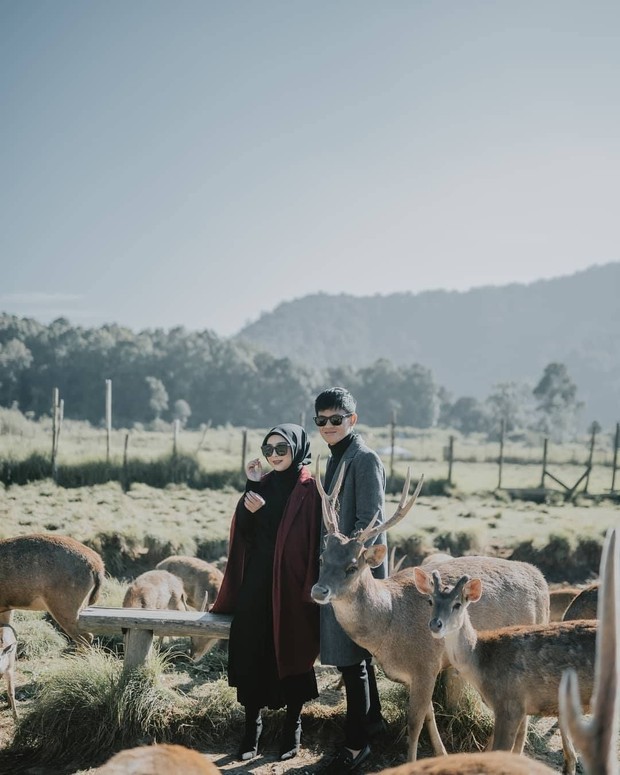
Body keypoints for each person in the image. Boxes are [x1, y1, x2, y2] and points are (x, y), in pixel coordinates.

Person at [210, 423, 322, 762]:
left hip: (292, 584)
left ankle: (292, 728)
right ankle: (251, 730)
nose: (273, 456)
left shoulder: (311, 489)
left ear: (298, 449)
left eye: (281, 449)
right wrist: (250, 492)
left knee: (292, 648)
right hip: (257, 583)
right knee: (254, 649)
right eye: (268, 449)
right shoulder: (264, 484)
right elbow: (245, 532)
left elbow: (306, 536)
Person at [313, 387, 387, 774]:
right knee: (357, 656)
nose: (328, 426)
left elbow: (370, 525)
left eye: (336, 419)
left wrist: (342, 562)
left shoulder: (363, 458)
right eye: (321, 421)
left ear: (352, 420)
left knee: (350, 660)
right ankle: (372, 719)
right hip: (340, 571)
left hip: (353, 577)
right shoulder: (340, 457)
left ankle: (357, 745)